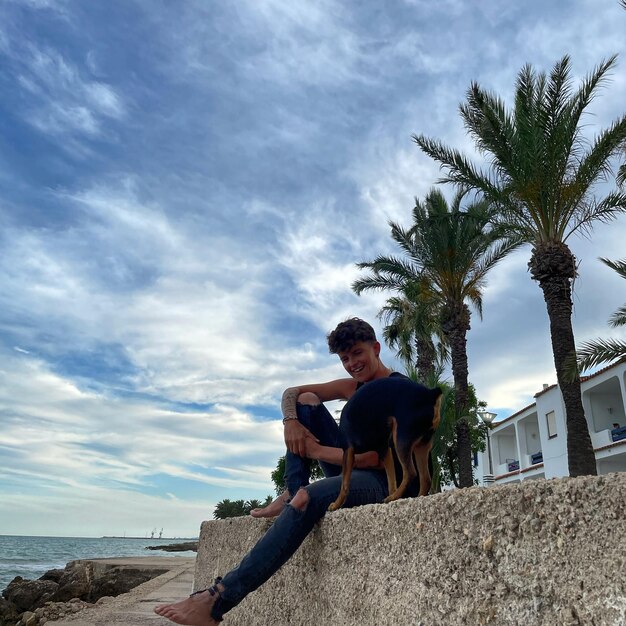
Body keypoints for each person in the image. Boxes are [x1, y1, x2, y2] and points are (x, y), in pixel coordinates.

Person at [155, 318, 413, 625]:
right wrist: (290, 422)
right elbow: (292, 392)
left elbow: (376, 459)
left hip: (388, 483)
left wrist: (316, 451)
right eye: (345, 358)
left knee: (307, 499)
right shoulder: (353, 388)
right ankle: (293, 486)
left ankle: (217, 601)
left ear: (376, 348)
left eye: (358, 353)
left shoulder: (398, 390)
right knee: (305, 402)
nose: (352, 364)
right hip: (349, 468)